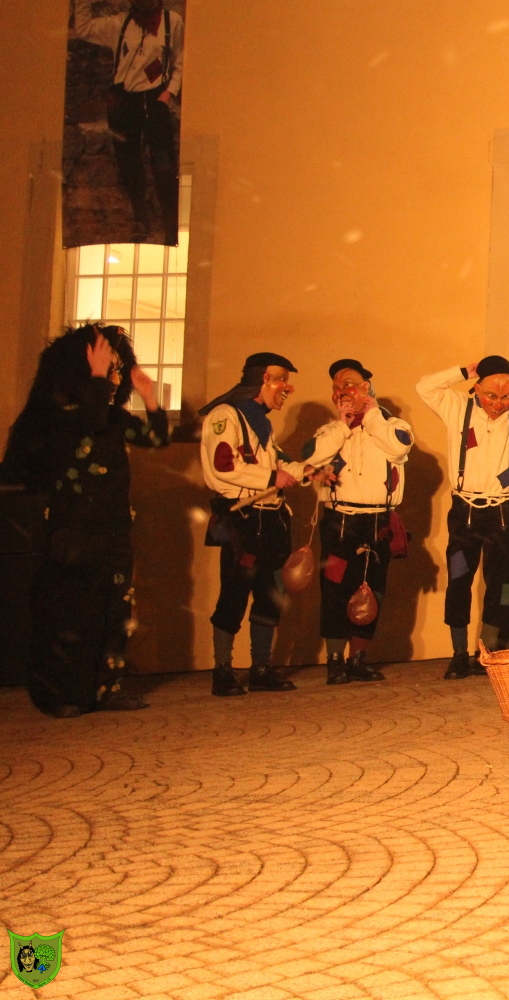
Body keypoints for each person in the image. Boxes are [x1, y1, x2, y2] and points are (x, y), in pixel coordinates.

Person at [0, 324, 169, 717]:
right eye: (110, 368)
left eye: (116, 370)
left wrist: (149, 397)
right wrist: (96, 375)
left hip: (113, 530)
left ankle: (107, 688)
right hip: (71, 532)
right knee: (71, 614)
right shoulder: (56, 415)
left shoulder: (111, 416)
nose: (114, 378)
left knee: (114, 611)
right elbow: (85, 422)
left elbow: (156, 439)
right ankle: (63, 694)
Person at [418, 355, 509, 678]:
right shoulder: (456, 408)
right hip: (465, 514)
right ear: (476, 389)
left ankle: (488, 651)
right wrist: (462, 371)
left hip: (503, 513)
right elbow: (425, 387)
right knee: (459, 580)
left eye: (506, 396)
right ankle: (459, 654)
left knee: (503, 583)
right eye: (491, 395)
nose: (498, 403)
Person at [200, 352, 316, 696]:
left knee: (270, 594)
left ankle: (261, 668)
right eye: (282, 380)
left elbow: (278, 463)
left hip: (272, 519)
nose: (288, 389)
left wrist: (308, 471)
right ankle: (223, 671)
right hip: (244, 521)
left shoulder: (262, 424)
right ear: (264, 380)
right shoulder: (226, 416)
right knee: (234, 593)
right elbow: (223, 467)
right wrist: (271, 477)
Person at [301, 360, 414, 684]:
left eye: (349, 384)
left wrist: (372, 413)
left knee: (371, 589)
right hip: (340, 521)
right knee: (335, 589)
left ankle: (359, 658)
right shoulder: (331, 430)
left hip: (377, 521)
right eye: (337, 387)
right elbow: (311, 457)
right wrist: (342, 425)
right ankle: (335, 661)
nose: (342, 391)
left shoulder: (393, 426)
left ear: (366, 388)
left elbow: (398, 448)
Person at [72, 0, 184, 237]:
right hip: (125, 101)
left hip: (155, 99)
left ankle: (171, 227)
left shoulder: (171, 22)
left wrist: (169, 92)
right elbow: (83, 28)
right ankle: (141, 221)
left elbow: (180, 61)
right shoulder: (119, 23)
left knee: (163, 165)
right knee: (129, 164)